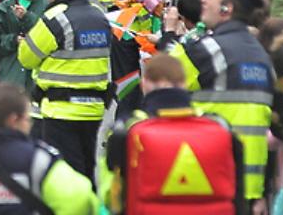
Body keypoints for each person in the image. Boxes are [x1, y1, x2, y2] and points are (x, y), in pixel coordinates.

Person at [163, 0, 274, 206]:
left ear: (227, 8)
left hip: (206, 176)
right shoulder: (262, 56)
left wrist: (168, 36)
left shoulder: (204, 50)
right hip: (251, 186)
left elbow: (159, 86)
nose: (203, 1)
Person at [102, 53, 244, 215]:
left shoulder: (126, 131)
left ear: (144, 85)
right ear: (183, 85)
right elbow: (238, 196)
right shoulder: (220, 127)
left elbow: (111, 195)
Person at [16, 0, 110, 180]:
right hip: (94, 109)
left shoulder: (55, 18)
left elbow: (26, 58)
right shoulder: (99, 15)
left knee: (65, 177)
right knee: (87, 170)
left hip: (60, 110)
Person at [0, 84, 98, 215]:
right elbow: (81, 197)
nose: (30, 125)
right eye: (28, 119)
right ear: (14, 120)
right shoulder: (37, 159)